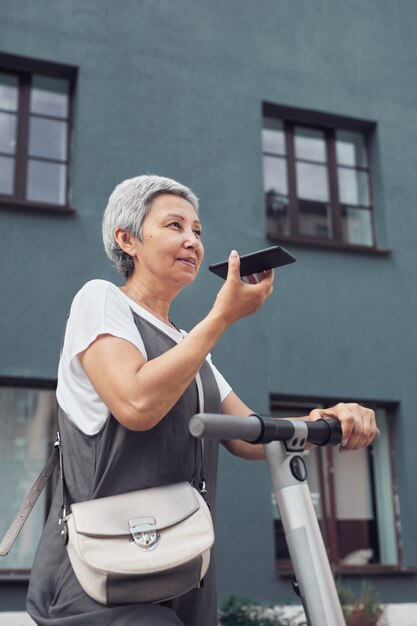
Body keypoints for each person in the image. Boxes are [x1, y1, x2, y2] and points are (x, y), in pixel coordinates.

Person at [27, 175, 377, 626]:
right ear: (126, 239)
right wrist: (222, 316)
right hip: (104, 573)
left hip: (180, 565)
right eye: (175, 226)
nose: (192, 241)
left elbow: (251, 436)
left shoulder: (188, 343)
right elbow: (136, 405)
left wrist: (327, 419)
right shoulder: (100, 300)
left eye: (198, 231)